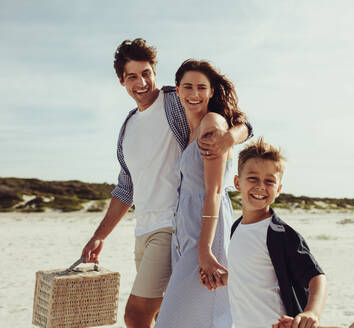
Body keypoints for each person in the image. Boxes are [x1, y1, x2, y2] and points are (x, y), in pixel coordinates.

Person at [81, 40, 251, 328]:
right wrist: (100, 236)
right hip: (144, 230)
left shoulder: (176, 100)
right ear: (121, 81)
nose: (142, 83)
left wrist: (229, 139)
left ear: (155, 73)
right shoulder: (127, 126)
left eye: (147, 73)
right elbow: (126, 188)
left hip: (172, 225)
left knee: (136, 315)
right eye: (132, 76)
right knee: (166, 314)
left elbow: (239, 122)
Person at [154, 59, 246, 328]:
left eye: (201, 88)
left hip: (205, 235)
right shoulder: (192, 129)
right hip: (186, 235)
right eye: (188, 87)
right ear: (178, 89)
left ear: (211, 92)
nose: (194, 94)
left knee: (175, 320)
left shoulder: (212, 124)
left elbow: (214, 191)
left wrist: (205, 250)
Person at [213, 138, 328, 328]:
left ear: (279, 189)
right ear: (237, 182)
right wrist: (223, 278)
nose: (260, 186)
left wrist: (312, 312)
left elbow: (317, 277)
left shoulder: (280, 234)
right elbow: (251, 274)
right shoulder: (236, 228)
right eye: (252, 178)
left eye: (269, 181)